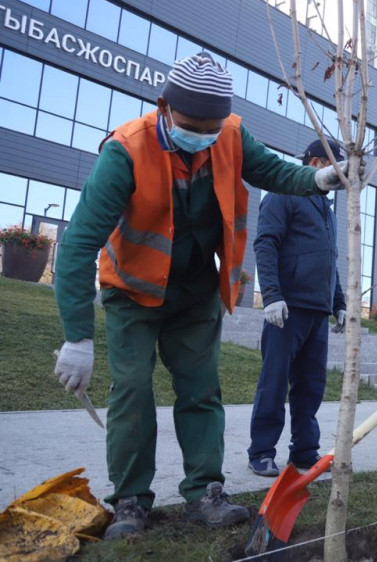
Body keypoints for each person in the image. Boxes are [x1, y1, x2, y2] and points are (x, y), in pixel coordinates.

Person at [52, 52, 344, 540]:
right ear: (164, 107)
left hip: (194, 293)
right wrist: (78, 338)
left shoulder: (229, 133)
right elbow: (78, 244)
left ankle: (205, 491)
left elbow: (272, 171)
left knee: (201, 391)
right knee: (132, 393)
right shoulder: (125, 151)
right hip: (133, 292)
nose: (205, 134)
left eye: (214, 125)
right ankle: (130, 500)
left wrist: (318, 179)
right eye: (193, 125)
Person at [246, 139, 348, 477]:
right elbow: (266, 243)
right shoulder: (283, 193)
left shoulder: (326, 208)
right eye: (337, 168)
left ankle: (304, 452)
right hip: (286, 309)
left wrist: (340, 303)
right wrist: (272, 294)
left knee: (311, 387)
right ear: (316, 163)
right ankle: (261, 451)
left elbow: (328, 260)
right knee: (273, 383)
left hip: (317, 311)